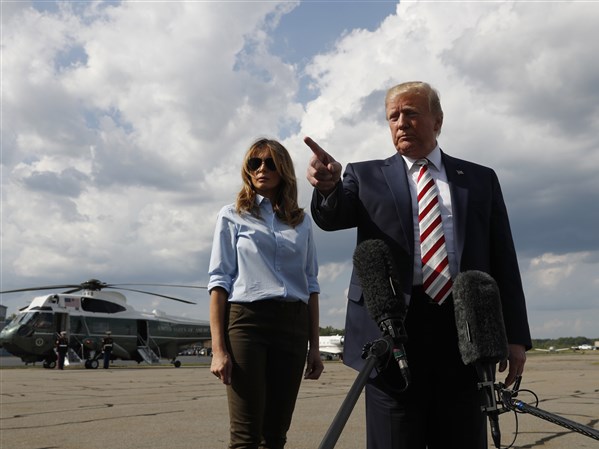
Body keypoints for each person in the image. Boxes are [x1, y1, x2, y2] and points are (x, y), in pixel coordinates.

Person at [305, 81, 531, 449]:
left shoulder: (479, 179)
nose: (401, 123)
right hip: (391, 332)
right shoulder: (364, 175)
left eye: (410, 113)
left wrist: (516, 336)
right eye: (393, 116)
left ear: (437, 120)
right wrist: (327, 188)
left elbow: (503, 259)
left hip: (464, 332)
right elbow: (333, 217)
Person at [208, 137, 324, 449]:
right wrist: (218, 349)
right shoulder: (232, 215)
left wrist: (314, 347)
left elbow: (311, 285)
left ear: (283, 169)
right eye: (255, 162)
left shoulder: (302, 222)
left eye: (270, 163)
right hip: (248, 323)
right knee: (246, 436)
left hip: (293, 325)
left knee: (275, 435)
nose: (262, 168)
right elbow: (219, 282)